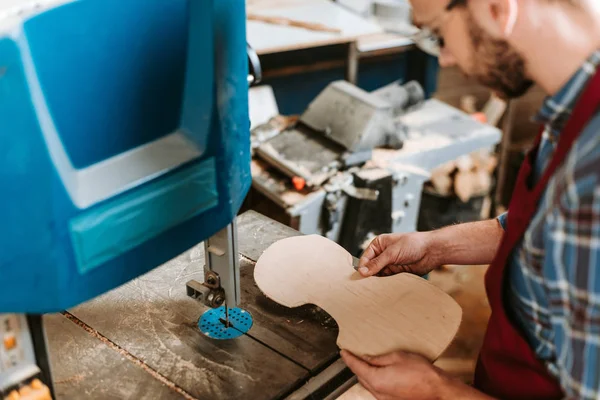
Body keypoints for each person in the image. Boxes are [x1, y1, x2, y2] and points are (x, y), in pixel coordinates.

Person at [340, 0, 600, 399]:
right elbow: (538, 232)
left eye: (440, 34)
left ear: (498, 8)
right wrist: (434, 246)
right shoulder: (570, 108)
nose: (444, 58)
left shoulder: (591, 175)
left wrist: (435, 389)